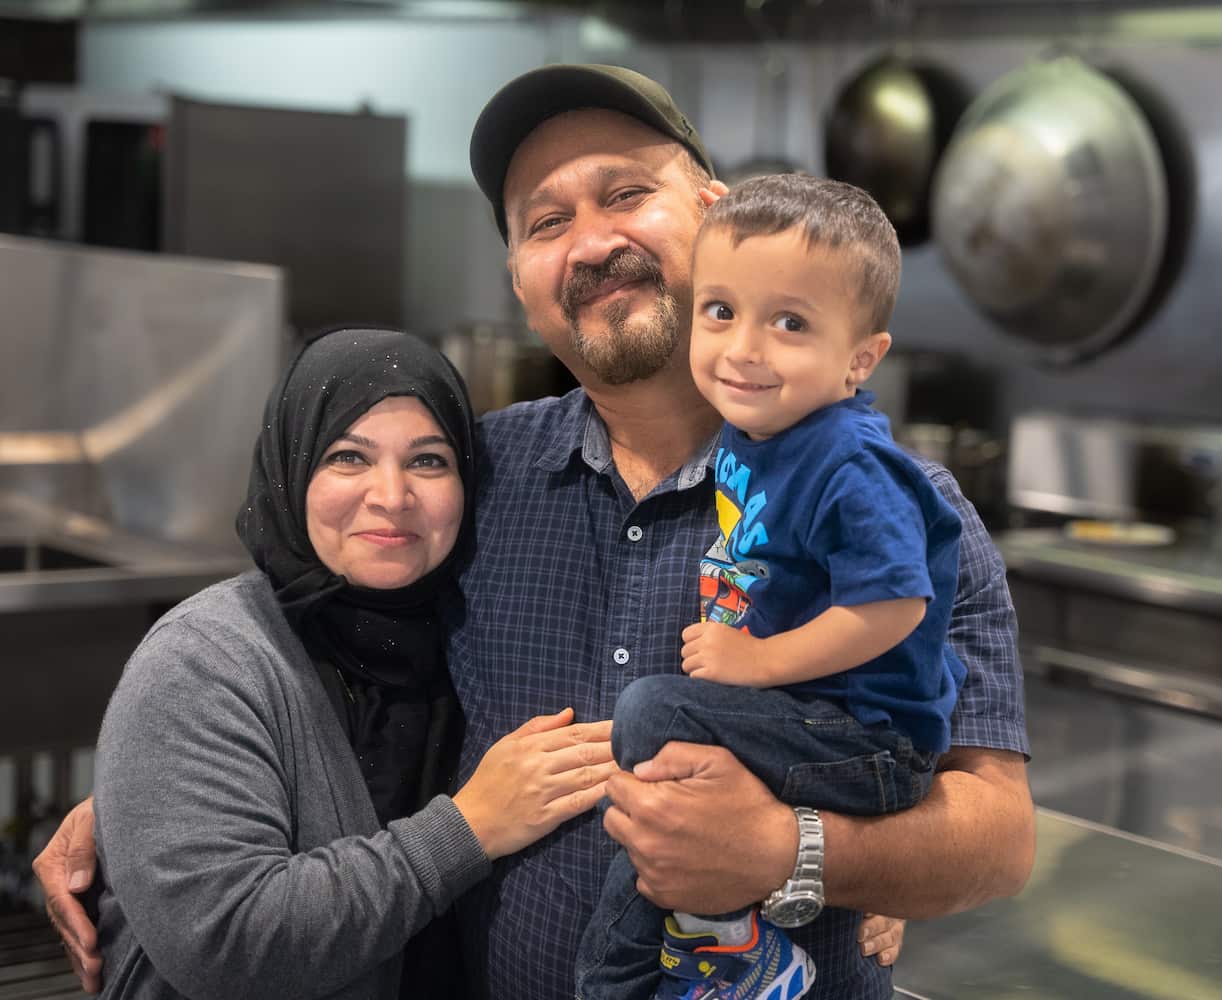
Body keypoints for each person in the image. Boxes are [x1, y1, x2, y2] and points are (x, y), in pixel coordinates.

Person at [36, 66, 1034, 1000]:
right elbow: (323, 658)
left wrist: (796, 850)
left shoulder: (891, 505)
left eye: (625, 193)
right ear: (519, 279)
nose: (592, 244)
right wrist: (143, 799)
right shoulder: (470, 478)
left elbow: (995, 838)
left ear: (715, 214)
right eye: (546, 222)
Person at [84, 327, 616, 999]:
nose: (391, 495)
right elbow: (223, 942)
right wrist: (470, 828)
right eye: (347, 457)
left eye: (428, 461)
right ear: (290, 469)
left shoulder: (470, 639)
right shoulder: (206, 659)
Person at [576, 173, 969, 1000]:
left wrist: (756, 661)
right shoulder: (753, 436)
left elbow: (896, 604)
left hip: (870, 742)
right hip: (809, 723)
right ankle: (695, 947)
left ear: (861, 358)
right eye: (721, 311)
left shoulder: (851, 464)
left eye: (790, 323)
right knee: (660, 790)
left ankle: (723, 943)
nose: (745, 348)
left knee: (655, 714)